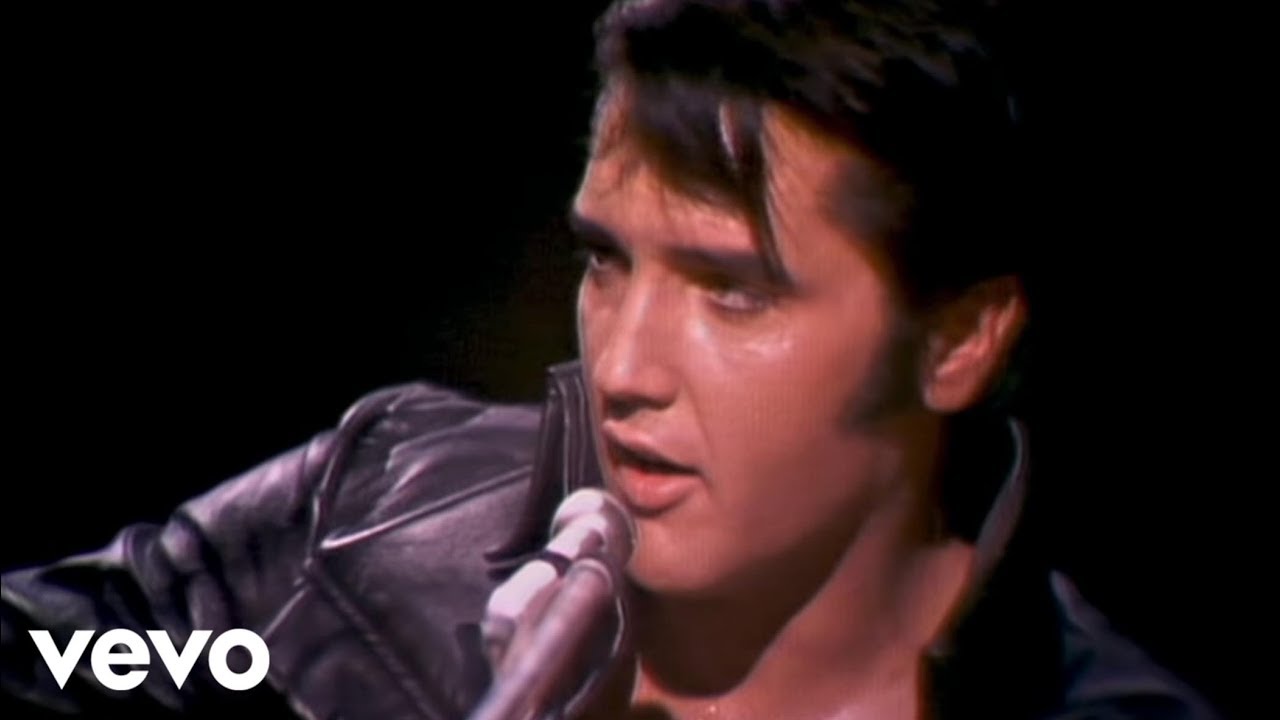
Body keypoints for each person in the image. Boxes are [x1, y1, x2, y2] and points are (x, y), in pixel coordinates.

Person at [1, 1, 1222, 718]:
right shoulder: (385, 507)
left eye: (732, 291)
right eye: (605, 262)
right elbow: (48, 653)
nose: (623, 367)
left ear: (955, 341)